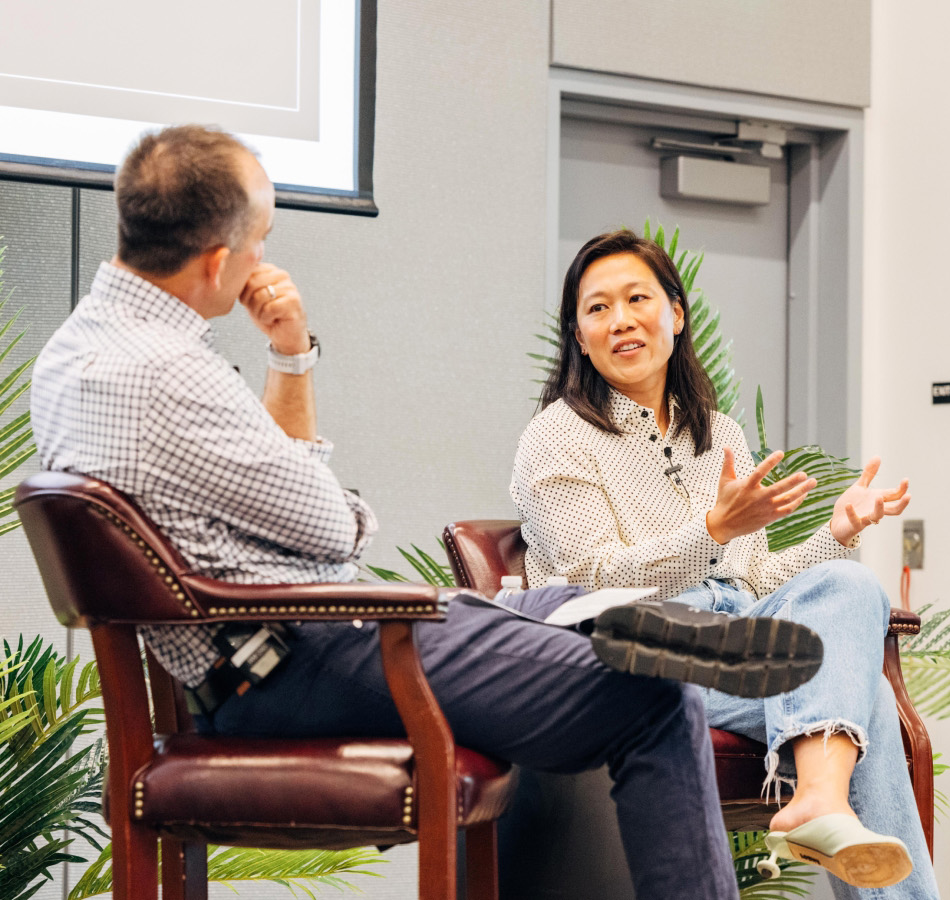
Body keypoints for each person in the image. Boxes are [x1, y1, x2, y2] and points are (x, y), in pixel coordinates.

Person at [29, 124, 820, 900]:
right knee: (655, 697)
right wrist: (319, 475)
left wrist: (288, 354)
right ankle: (649, 631)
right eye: (261, 240)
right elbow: (335, 527)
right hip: (300, 655)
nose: (263, 259)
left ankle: (628, 619)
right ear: (217, 261)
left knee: (549, 601)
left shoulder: (75, 353)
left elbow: (275, 512)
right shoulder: (174, 374)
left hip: (283, 643)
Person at [511, 229, 939, 898]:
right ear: (579, 334)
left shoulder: (719, 434)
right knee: (870, 700)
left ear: (676, 315)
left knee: (850, 583)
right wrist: (710, 531)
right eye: (597, 308)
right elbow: (590, 580)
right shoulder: (556, 436)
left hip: (739, 638)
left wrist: (837, 530)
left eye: (636, 298)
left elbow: (754, 581)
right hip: (636, 653)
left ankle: (819, 799)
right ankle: (821, 803)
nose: (619, 320)